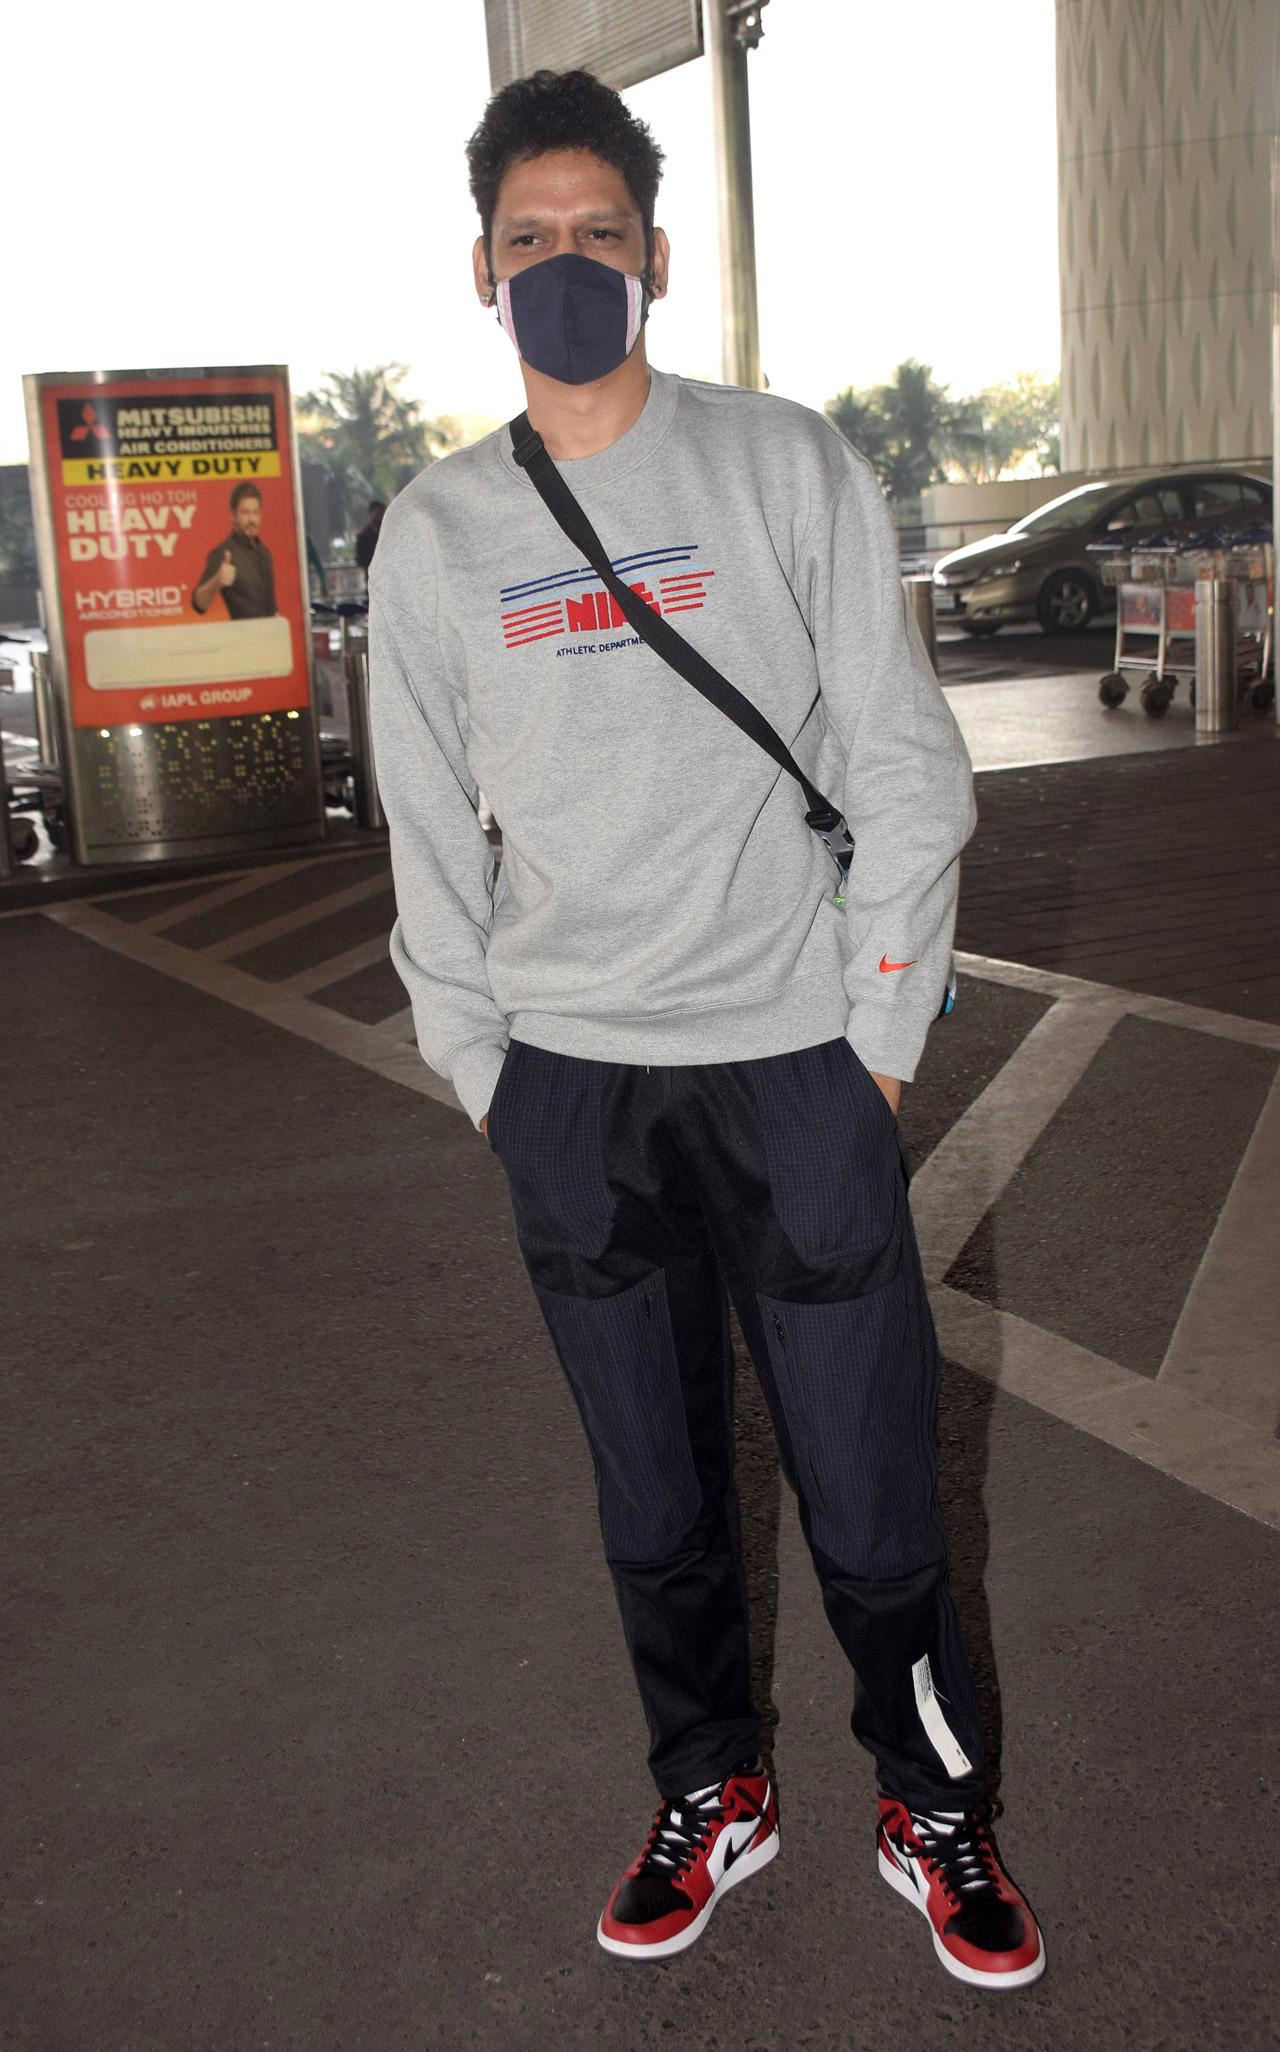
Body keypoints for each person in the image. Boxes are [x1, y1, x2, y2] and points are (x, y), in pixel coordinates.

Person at [370, 69, 1044, 1990]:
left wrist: (882, 1040)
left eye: (600, 233)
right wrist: (490, 1075)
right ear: (478, 272)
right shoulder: (435, 534)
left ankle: (935, 1807)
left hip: (796, 1069)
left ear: (656, 257)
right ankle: (710, 1786)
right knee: (652, 1493)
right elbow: (424, 830)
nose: (566, 265)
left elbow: (909, 767)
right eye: (530, 239)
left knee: (873, 1478)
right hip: (574, 1086)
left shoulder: (784, 464)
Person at [192, 482, 276, 619]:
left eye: (255, 512)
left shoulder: (264, 553)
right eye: (245, 513)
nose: (251, 519)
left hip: (270, 635)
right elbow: (199, 604)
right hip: (242, 637)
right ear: (233, 516)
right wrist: (217, 580)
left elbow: (271, 608)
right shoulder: (224, 553)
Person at [355, 500, 386, 583]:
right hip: (372, 580)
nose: (380, 517)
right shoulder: (363, 536)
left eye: (381, 513)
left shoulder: (389, 533)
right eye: (377, 514)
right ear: (370, 515)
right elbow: (360, 560)